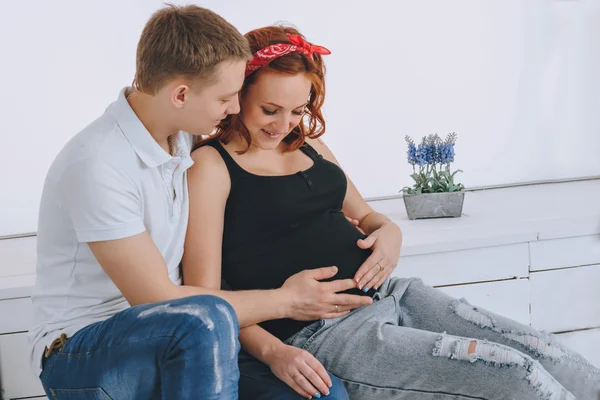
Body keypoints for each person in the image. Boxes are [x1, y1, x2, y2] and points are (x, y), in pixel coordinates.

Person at [185, 25, 600, 400]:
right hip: (324, 331)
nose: (284, 125)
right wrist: (274, 351)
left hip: (396, 292)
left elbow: (370, 218)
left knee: (543, 349)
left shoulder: (308, 145)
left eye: (298, 111)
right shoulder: (212, 167)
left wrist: (390, 234)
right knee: (515, 373)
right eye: (269, 110)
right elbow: (206, 299)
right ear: (238, 93)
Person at [29, 6, 367, 398]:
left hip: (193, 338)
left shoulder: (182, 137)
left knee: (325, 394)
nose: (236, 109)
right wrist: (287, 300)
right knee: (200, 319)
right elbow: (157, 300)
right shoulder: (99, 163)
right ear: (181, 94)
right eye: (226, 97)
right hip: (82, 351)